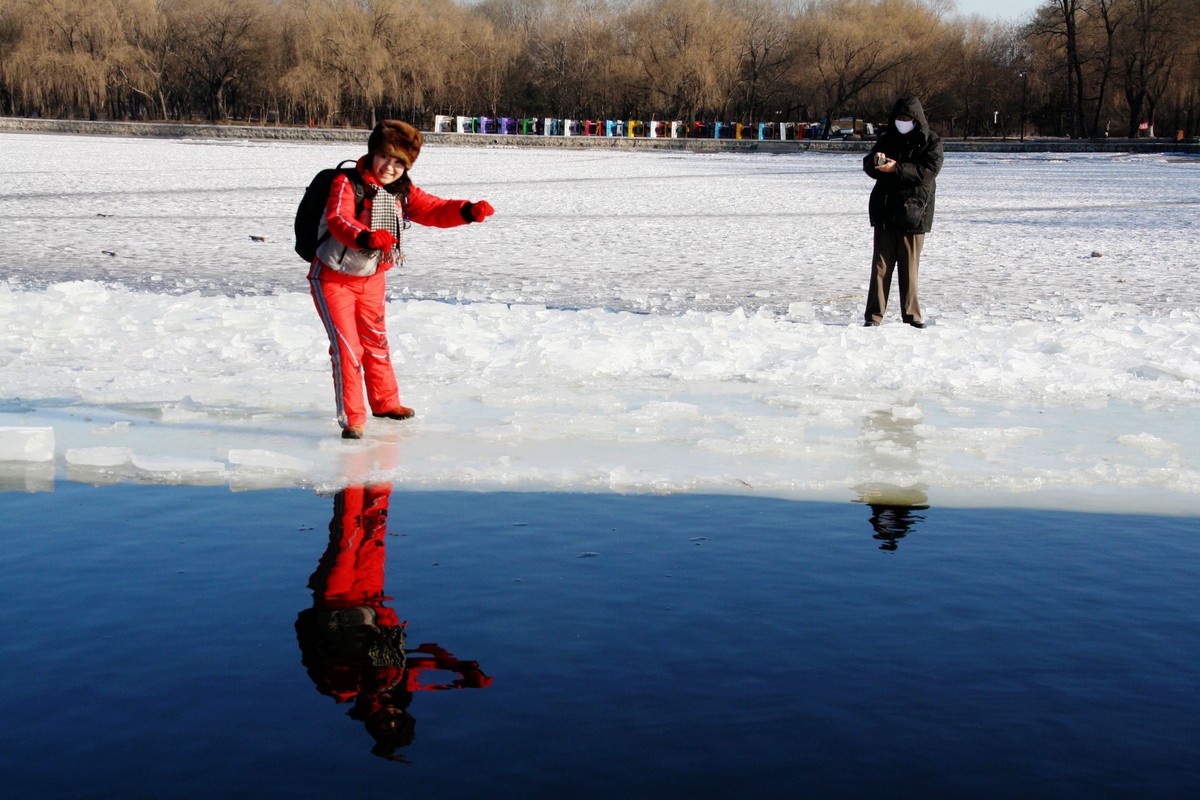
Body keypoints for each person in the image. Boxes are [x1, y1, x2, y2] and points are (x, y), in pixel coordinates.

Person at [309, 119, 494, 439]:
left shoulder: (401, 192)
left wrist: (467, 211)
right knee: (347, 348)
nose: (390, 167)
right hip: (333, 278)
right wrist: (366, 238)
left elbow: (433, 209)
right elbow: (339, 220)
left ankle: (384, 402)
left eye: (399, 162)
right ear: (374, 152)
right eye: (385, 157)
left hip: (372, 278)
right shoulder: (346, 182)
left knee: (376, 343)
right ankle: (353, 418)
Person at [862, 96, 943, 328]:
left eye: (906, 118)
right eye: (898, 118)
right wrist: (875, 163)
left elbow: (925, 173)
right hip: (885, 212)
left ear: (916, 119)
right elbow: (869, 164)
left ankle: (912, 316)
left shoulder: (931, 143)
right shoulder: (887, 139)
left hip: (914, 213)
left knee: (909, 268)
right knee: (880, 267)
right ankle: (873, 316)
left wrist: (896, 168)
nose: (902, 122)